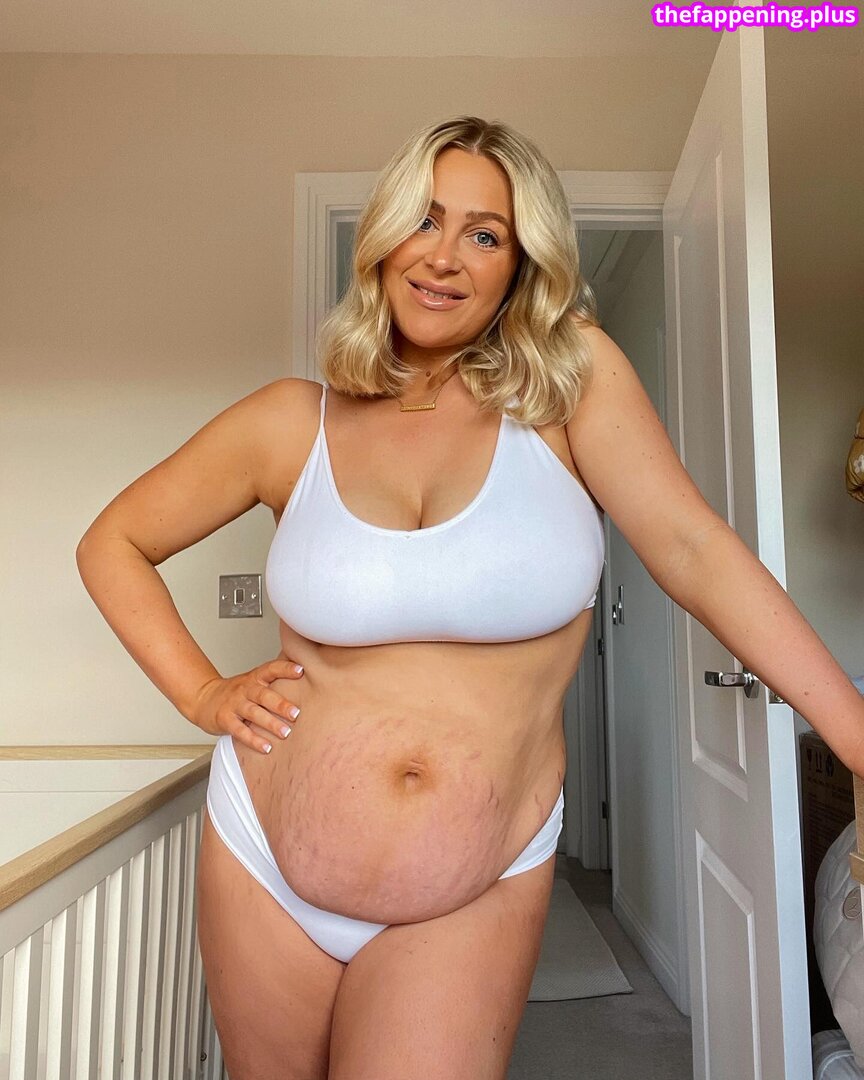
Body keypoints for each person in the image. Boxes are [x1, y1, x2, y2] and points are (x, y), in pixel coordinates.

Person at [76, 115, 864, 1080]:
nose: (443, 256)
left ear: (521, 265)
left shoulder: (570, 388)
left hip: (475, 877)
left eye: (484, 234)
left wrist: (855, 734)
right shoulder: (289, 421)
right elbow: (112, 542)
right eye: (424, 220)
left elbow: (695, 549)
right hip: (264, 856)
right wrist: (203, 694)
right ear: (383, 239)